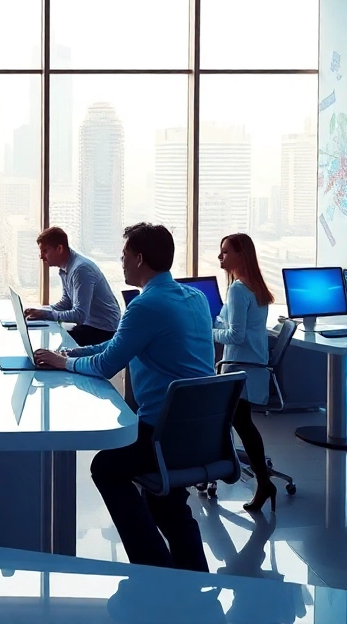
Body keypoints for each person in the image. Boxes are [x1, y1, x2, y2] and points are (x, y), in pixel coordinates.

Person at [31, 223, 214, 572]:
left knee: (106, 468)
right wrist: (70, 355)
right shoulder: (195, 298)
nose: (121, 262)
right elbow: (117, 346)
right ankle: (192, 579)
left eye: (125, 255)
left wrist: (66, 364)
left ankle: (152, 568)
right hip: (198, 432)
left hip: (163, 433)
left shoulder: (145, 305)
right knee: (167, 502)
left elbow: (106, 364)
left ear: (140, 258)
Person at [212, 233, 277, 513]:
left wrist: (206, 331)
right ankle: (263, 481)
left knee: (238, 424)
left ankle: (256, 479)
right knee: (242, 424)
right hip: (252, 367)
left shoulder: (238, 290)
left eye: (225, 252)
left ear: (241, 255)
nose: (220, 257)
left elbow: (235, 336)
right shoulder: (256, 287)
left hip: (239, 368)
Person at [24, 226, 122, 347]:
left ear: (59, 248)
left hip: (103, 331)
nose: (41, 256)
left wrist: (47, 315)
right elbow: (67, 303)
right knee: (54, 342)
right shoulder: (65, 268)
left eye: (45, 251)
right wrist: (42, 311)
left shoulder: (81, 270)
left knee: (56, 350)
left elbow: (79, 315)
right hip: (89, 325)